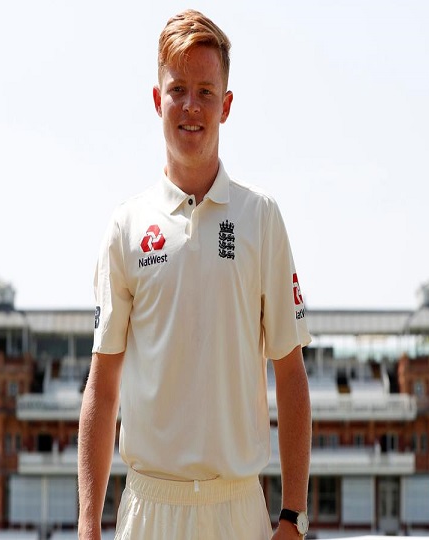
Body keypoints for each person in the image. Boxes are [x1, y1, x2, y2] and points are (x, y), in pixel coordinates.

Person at [78, 9, 311, 540]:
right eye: (177, 89)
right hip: (149, 508)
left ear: (225, 105)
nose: (190, 106)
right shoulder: (126, 226)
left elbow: (291, 372)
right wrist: (88, 525)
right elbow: (103, 385)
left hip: (238, 508)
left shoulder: (260, 217)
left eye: (205, 92)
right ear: (156, 99)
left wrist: (293, 516)